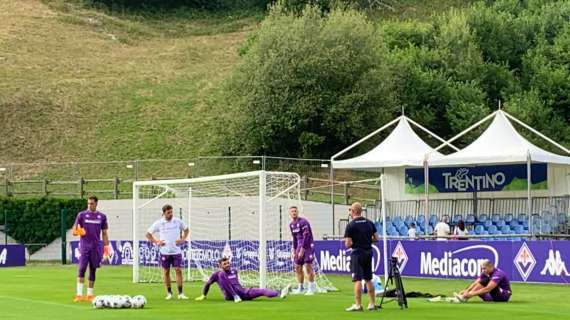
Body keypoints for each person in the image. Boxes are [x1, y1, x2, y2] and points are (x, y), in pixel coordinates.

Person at [194, 257, 289, 302]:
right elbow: (208, 284)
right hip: (230, 296)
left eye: (228, 263)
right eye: (224, 264)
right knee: (221, 273)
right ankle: (235, 296)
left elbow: (237, 283)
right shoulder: (217, 274)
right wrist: (203, 295)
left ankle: (279, 293)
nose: (227, 265)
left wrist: (243, 291)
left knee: (261, 290)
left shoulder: (234, 271)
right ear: (220, 265)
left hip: (242, 293)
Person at [146, 204, 190, 300]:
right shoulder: (159, 223)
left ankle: (181, 293)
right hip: (165, 252)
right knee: (166, 272)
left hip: (176, 251)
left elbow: (186, 229)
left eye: (171, 212)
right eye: (168, 212)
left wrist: (183, 239)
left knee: (178, 270)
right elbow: (148, 234)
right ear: (163, 213)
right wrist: (157, 242)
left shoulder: (177, 221)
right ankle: (169, 293)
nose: (170, 214)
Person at [72, 195, 110, 302]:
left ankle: (90, 294)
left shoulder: (102, 216)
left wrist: (106, 248)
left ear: (96, 204)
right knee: (82, 268)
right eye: (88, 203)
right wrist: (79, 231)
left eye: (91, 203)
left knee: (93, 269)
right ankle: (79, 295)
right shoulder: (81, 215)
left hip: (96, 246)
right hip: (84, 246)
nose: (89, 205)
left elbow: (105, 233)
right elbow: (74, 231)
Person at [343, 202, 379, 312]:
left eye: (350, 210)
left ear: (353, 211)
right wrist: (367, 241)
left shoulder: (351, 225)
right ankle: (372, 303)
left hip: (357, 253)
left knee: (357, 279)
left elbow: (348, 244)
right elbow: (376, 238)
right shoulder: (369, 222)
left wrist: (354, 243)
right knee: (368, 278)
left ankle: (358, 305)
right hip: (368, 252)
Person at [288, 206, 316, 295]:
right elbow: (295, 239)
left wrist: (303, 249)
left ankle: (311, 288)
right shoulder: (291, 224)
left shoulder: (303, 222)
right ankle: (300, 288)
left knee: (308, 266)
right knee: (297, 267)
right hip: (299, 246)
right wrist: (294, 249)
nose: (294, 213)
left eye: (295, 211)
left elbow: (306, 236)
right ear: (290, 213)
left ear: (298, 212)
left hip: (307, 246)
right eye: (292, 211)